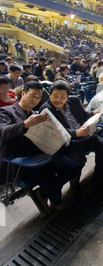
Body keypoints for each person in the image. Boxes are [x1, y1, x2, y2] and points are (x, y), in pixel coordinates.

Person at [0, 80, 81, 212]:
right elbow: (3, 132)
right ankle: (55, 200)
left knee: (74, 166)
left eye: (38, 97)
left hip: (41, 154)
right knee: (49, 179)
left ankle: (44, 191)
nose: (36, 99)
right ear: (23, 93)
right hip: (22, 162)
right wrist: (25, 124)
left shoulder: (36, 115)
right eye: (32, 95)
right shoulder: (6, 112)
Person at [39, 80, 103, 186]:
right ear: (50, 94)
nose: (58, 99)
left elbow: (83, 115)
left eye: (62, 96)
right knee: (78, 160)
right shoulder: (46, 109)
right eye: (55, 96)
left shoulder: (74, 101)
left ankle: (99, 176)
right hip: (69, 141)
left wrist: (93, 114)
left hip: (85, 134)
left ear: (67, 96)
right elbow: (55, 131)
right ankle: (75, 183)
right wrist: (76, 133)